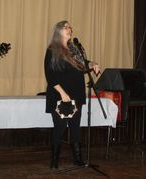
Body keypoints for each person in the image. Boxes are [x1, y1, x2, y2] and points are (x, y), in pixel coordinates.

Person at [44, 20, 100, 170]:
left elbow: (83, 63)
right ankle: (54, 161)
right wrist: (62, 93)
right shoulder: (52, 50)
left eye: (70, 27)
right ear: (58, 31)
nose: (69, 29)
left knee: (75, 127)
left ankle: (78, 159)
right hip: (60, 96)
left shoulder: (73, 49)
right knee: (60, 128)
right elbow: (50, 75)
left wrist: (92, 63)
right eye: (65, 27)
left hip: (76, 94)